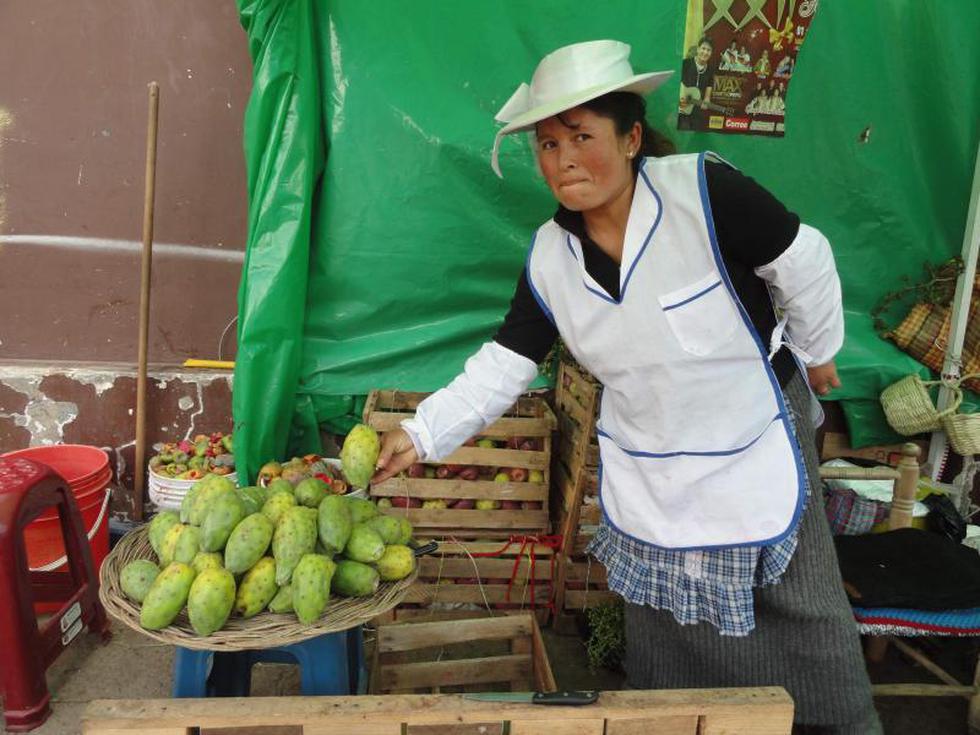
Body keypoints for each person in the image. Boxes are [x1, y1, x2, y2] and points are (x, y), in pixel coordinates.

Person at [371, 40, 880, 734]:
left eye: (582, 136)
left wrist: (819, 352)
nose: (564, 159)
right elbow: (506, 359)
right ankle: (680, 723)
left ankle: (831, 725)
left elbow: (805, 258)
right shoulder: (552, 258)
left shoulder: (704, 192)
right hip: (653, 464)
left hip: (752, 437)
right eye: (547, 144)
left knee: (800, 612)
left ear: (633, 137)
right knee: (668, 632)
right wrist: (421, 431)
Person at [678, 37, 715, 131]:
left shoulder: (710, 70)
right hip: (680, 110)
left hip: (696, 113)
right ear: (698, 49)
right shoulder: (685, 64)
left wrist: (706, 101)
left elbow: (707, 96)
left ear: (711, 53)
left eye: (708, 50)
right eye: (703, 48)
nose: (705, 52)